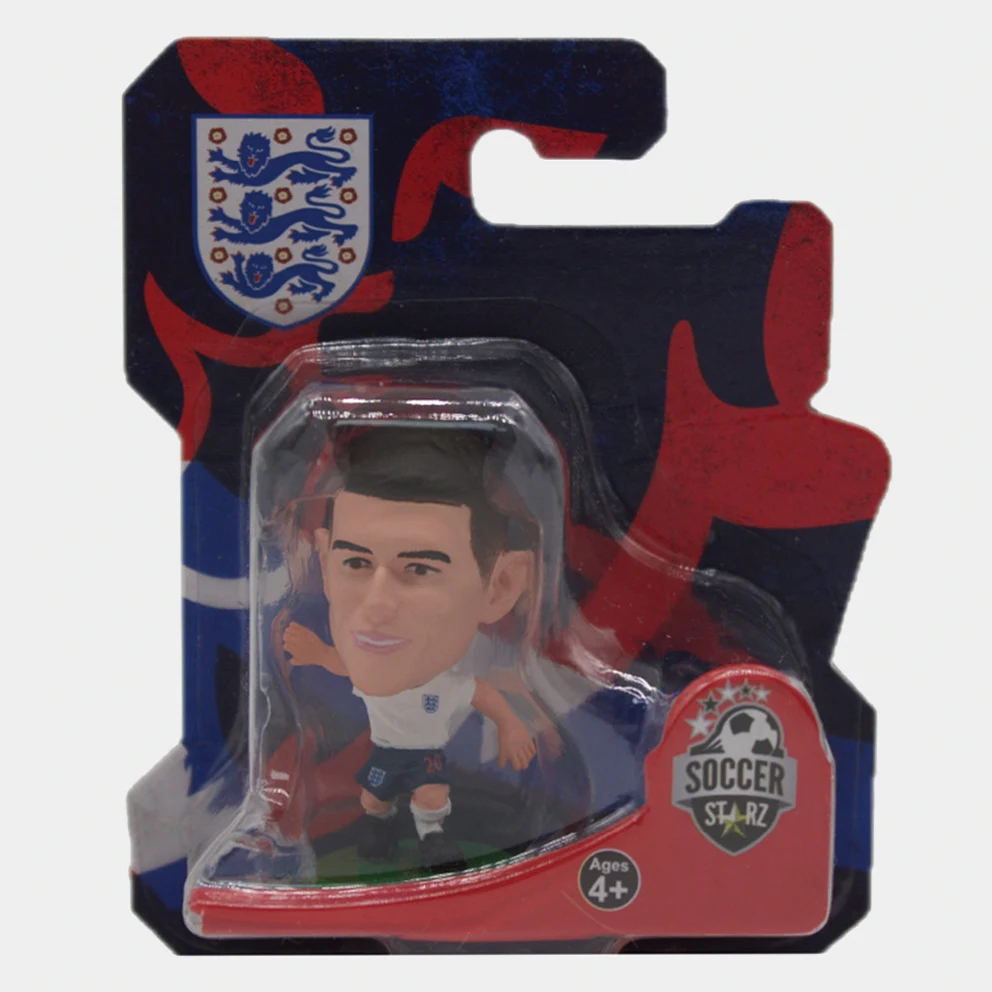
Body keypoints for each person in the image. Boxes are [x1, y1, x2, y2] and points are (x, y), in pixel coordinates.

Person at [283, 426, 537, 869]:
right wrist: (318, 653)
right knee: (373, 795)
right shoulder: (368, 671)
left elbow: (483, 694)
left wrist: (512, 726)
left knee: (432, 794)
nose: (377, 605)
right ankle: (377, 826)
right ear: (324, 563)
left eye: (420, 569)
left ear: (500, 586)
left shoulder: (445, 684)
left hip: (425, 755)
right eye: (355, 562)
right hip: (386, 750)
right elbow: (342, 666)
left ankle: (433, 837)